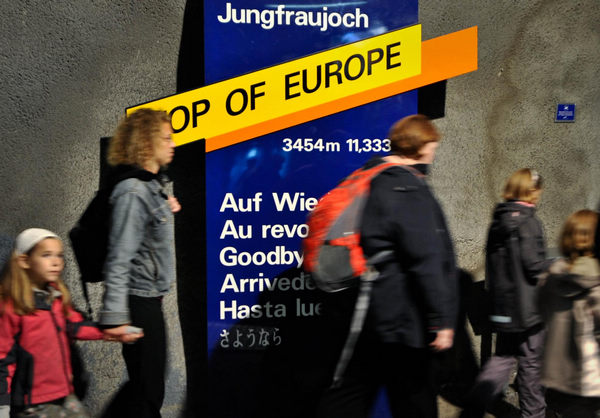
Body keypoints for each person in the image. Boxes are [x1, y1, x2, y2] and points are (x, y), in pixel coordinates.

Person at [316, 114, 458, 418]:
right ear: (421, 146)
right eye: (433, 143)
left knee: (350, 393)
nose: (434, 150)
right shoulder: (405, 188)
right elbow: (426, 258)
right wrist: (441, 320)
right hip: (402, 318)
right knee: (415, 400)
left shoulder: (376, 177)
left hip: (368, 311)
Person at [0, 228, 137, 418]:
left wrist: (112, 331)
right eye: (46, 255)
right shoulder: (12, 307)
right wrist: (3, 405)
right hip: (33, 404)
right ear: (24, 261)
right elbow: (3, 359)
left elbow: (76, 326)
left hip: (64, 394)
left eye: (59, 256)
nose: (56, 262)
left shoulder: (55, 298)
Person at [99, 108, 180, 418]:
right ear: (147, 142)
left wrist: (164, 205)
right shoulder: (133, 191)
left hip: (149, 299)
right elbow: (119, 257)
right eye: (166, 138)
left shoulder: (148, 187)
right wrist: (116, 316)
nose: (172, 144)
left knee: (147, 389)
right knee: (148, 394)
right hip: (138, 303)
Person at [461, 168, 551, 418]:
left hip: (503, 309)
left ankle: (474, 405)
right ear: (531, 191)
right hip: (529, 312)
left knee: (502, 359)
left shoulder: (498, 220)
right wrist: (560, 265)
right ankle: (534, 415)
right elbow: (533, 266)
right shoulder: (529, 222)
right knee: (531, 367)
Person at [539, 209, 600, 417]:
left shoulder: (551, 276)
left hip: (555, 375)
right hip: (586, 381)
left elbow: (541, 311)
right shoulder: (595, 283)